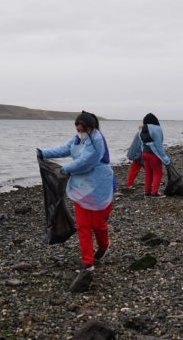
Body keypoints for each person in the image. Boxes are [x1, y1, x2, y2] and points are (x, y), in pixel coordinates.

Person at [37, 112, 114, 272]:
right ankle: (87, 261)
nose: (80, 132)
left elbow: (86, 161)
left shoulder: (97, 140)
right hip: (81, 187)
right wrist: (44, 153)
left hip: (99, 186)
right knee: (82, 225)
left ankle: (104, 246)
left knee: (98, 225)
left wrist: (64, 169)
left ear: (91, 128)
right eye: (78, 129)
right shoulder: (78, 138)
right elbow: (66, 149)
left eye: (82, 129)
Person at [140, 113, 171, 197]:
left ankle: (147, 192)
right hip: (153, 155)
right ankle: (154, 193)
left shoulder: (143, 128)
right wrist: (165, 158)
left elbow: (142, 143)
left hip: (145, 154)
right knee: (158, 173)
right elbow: (158, 144)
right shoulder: (157, 128)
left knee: (148, 173)